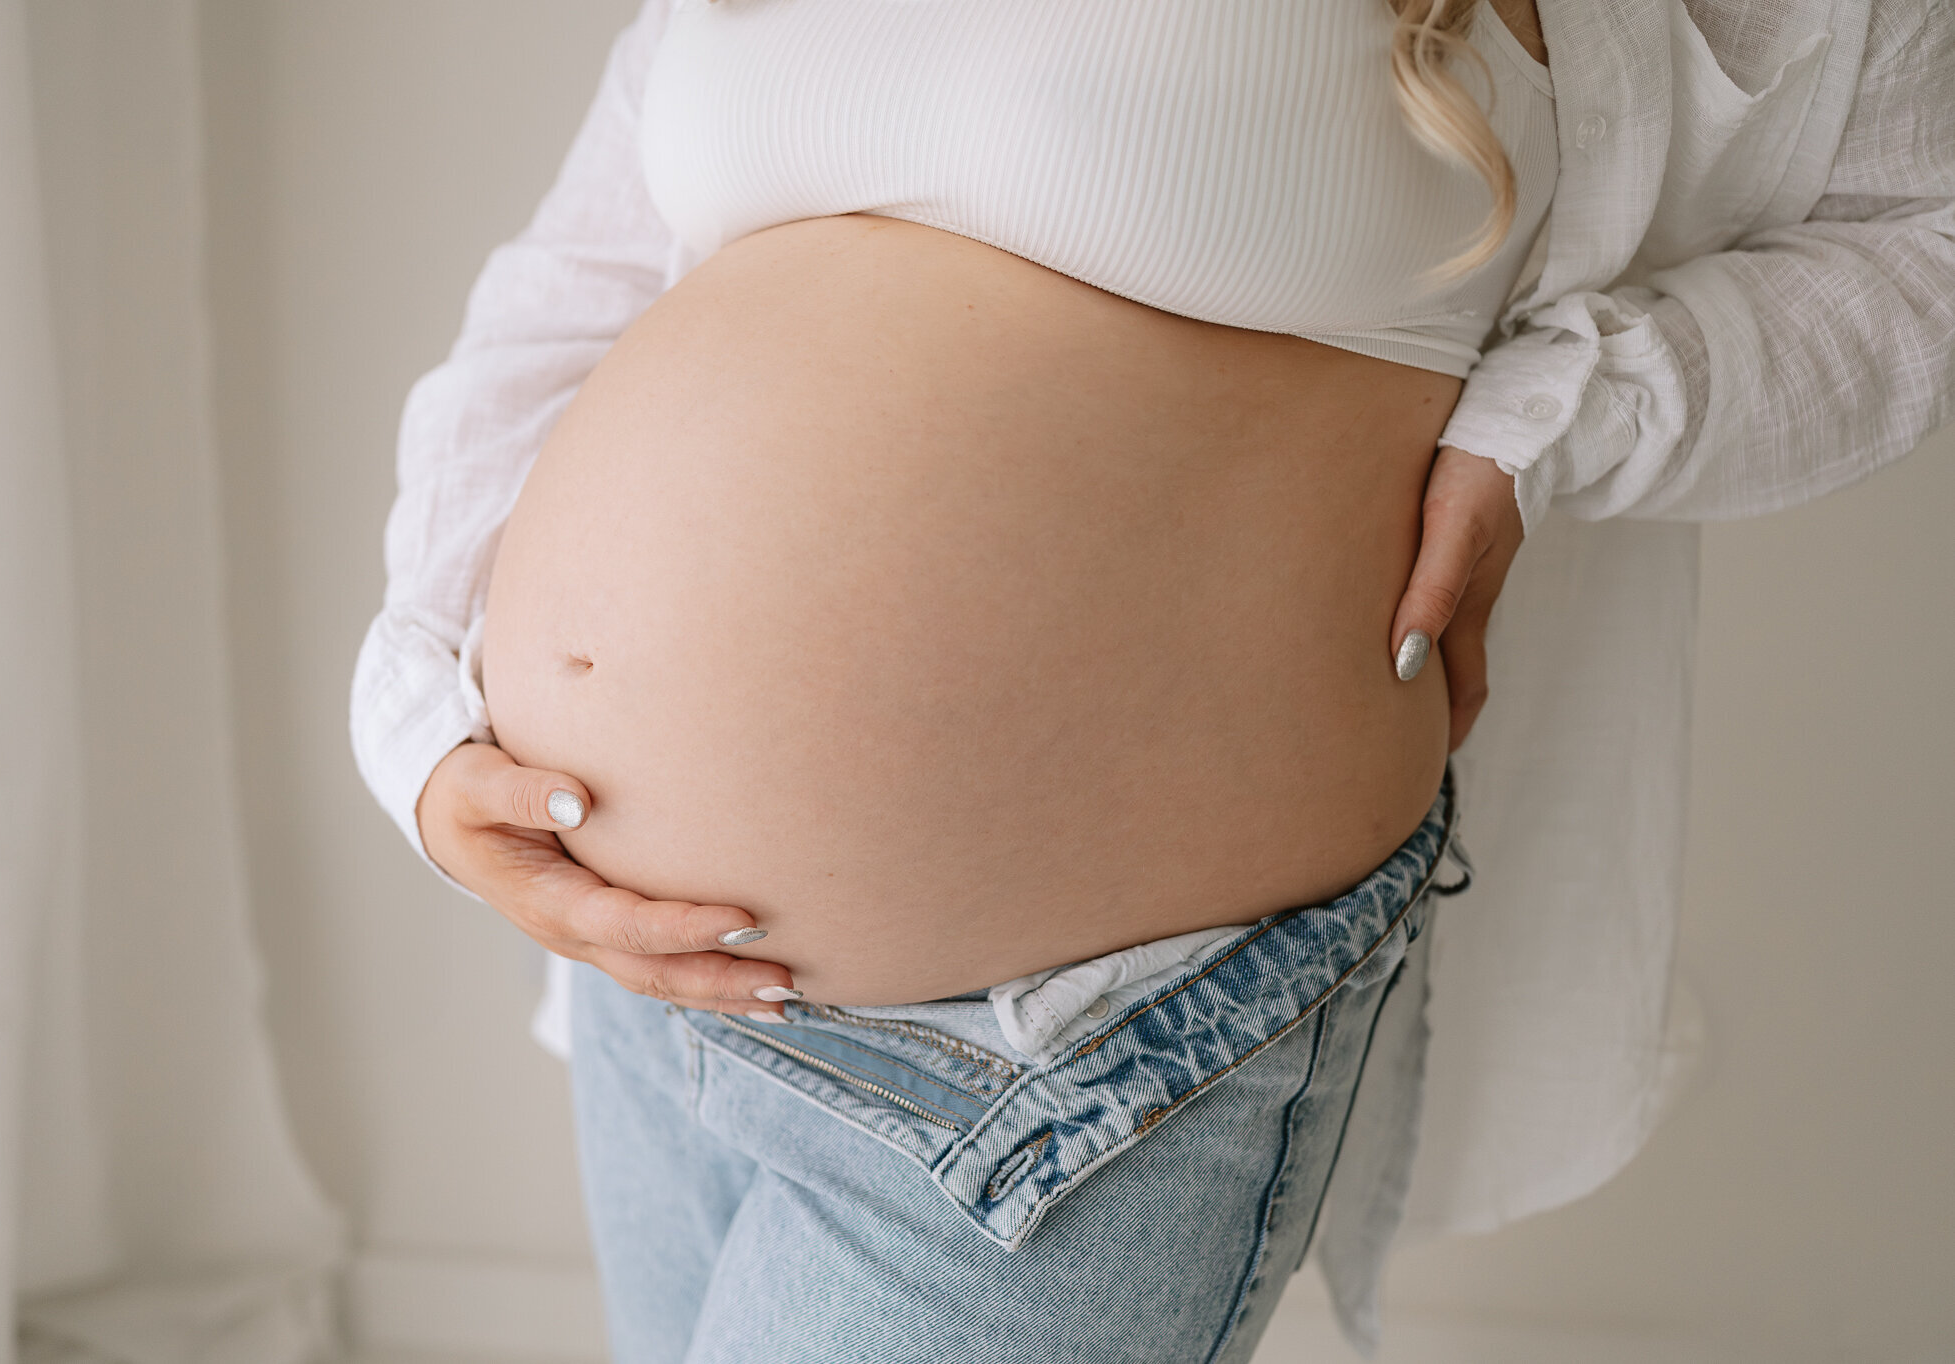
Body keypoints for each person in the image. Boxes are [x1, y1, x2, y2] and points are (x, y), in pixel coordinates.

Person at [350, 1, 1954, 1358]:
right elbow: (566, 298)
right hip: (643, 966)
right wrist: (417, 715)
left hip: (1069, 1041)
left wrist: (1571, 413)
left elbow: (1923, 238)